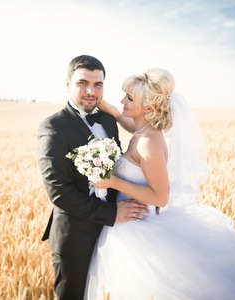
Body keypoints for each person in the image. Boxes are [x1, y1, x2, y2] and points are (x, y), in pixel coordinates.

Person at [84, 67, 235, 300]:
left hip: (136, 226)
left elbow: (161, 197)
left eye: (129, 98)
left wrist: (114, 182)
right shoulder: (144, 130)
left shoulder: (149, 143)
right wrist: (111, 110)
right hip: (128, 220)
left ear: (149, 107)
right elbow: (131, 124)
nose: (123, 100)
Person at [37, 55, 150, 300]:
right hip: (75, 239)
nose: (91, 91)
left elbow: (121, 165)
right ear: (68, 84)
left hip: (118, 235)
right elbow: (59, 193)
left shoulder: (108, 120)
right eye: (82, 83)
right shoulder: (52, 127)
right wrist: (113, 214)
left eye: (98, 84)